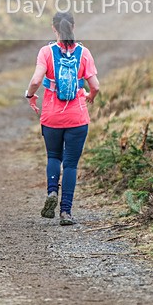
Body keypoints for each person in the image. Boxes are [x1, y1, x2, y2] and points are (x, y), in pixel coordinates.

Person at [25, 11, 100, 226]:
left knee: (53, 157)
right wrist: (89, 96)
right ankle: (66, 212)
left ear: (54, 28)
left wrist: (30, 96)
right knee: (70, 165)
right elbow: (95, 86)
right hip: (77, 117)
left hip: (51, 117)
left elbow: (36, 80)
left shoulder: (46, 52)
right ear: (73, 27)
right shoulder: (84, 53)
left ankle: (51, 193)